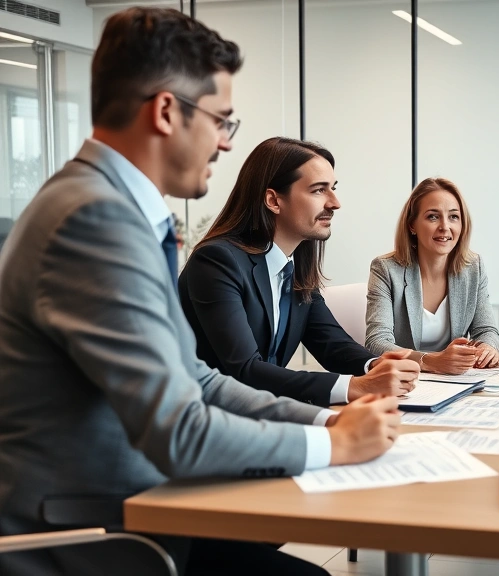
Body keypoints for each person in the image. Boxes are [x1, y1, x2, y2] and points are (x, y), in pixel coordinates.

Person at [0, 9, 398, 576]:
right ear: (166, 112)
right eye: (221, 121)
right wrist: (337, 447)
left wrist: (324, 422)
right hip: (93, 534)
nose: (226, 144)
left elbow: (196, 377)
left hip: (144, 507)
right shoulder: (94, 221)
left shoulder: (113, 208)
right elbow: (180, 431)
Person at [179, 137, 419, 406]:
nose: (335, 203)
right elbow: (244, 370)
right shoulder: (216, 261)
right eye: (319, 190)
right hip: (208, 421)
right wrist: (355, 386)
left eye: (333, 189)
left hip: (263, 414)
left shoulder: (292, 266)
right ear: (273, 200)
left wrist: (374, 365)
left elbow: (330, 344)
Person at [365, 177, 499, 375]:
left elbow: (487, 330)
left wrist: (487, 349)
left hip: (455, 382)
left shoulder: (474, 268)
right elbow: (376, 342)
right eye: (433, 217)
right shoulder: (386, 269)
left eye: (454, 217)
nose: (445, 226)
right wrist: (430, 361)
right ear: (412, 225)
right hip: (404, 379)